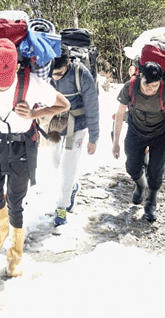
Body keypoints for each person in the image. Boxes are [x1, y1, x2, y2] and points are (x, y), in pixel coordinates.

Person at [0, 38, 70, 277]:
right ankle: (2, 229)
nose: (0, 85)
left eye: (4, 79)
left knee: (16, 199)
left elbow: (63, 104)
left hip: (21, 146)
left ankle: (15, 252)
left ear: (14, 68)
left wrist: (35, 112)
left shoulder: (30, 83)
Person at [112, 61, 165, 222]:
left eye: (154, 87)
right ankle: (141, 185)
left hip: (159, 135)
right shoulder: (130, 86)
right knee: (132, 167)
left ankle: (151, 202)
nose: (150, 90)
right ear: (140, 77)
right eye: (147, 86)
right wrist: (116, 142)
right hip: (136, 132)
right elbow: (120, 114)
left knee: (156, 172)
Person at [48, 47, 100, 226]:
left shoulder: (81, 74)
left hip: (77, 125)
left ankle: (61, 209)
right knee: (56, 163)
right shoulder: (46, 72)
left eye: (59, 73)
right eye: (53, 74)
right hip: (55, 124)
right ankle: (72, 187)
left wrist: (94, 138)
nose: (55, 77)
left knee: (67, 168)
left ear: (68, 63)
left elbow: (93, 108)